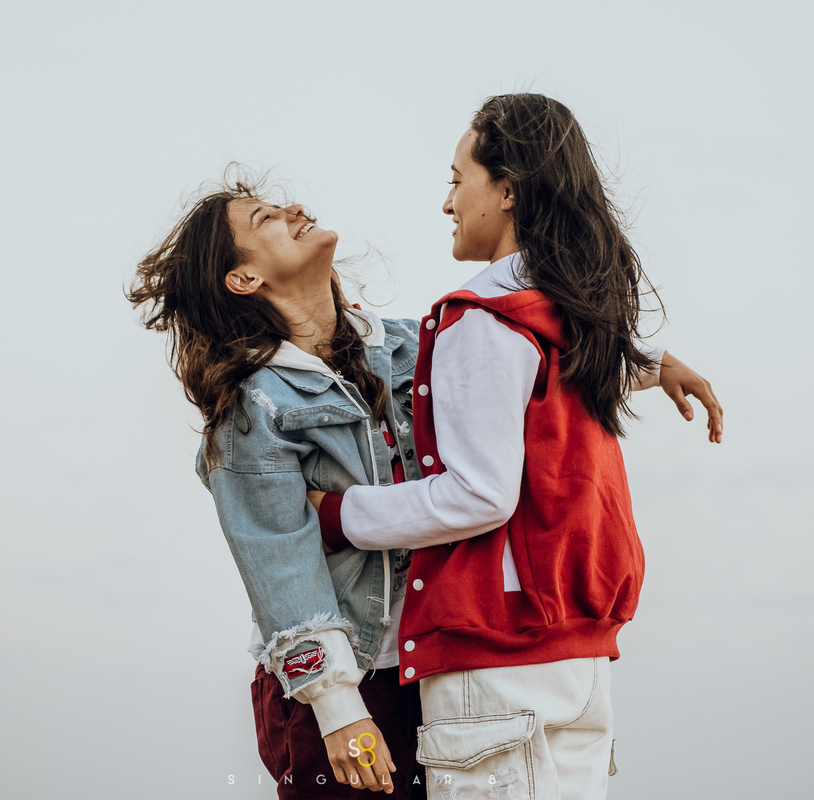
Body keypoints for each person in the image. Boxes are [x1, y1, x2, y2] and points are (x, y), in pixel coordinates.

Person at [309, 93, 723, 800]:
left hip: (496, 659)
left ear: (506, 190)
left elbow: (479, 494)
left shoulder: (482, 319)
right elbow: (543, 390)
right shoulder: (568, 312)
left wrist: (337, 515)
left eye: (456, 178)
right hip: (578, 660)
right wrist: (650, 365)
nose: (447, 203)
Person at [128, 181, 428, 798]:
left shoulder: (411, 346)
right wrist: (338, 708)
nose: (297, 209)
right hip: (354, 681)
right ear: (243, 280)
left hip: (440, 663)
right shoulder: (252, 407)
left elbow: (520, 367)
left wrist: (644, 363)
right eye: (266, 217)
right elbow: (280, 560)